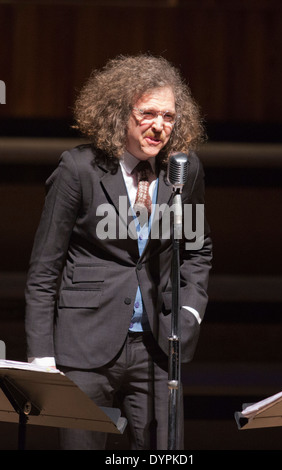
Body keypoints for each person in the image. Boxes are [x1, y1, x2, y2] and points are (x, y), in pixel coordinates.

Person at [25, 54, 212, 450]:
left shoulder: (184, 169)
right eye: (147, 114)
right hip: (85, 346)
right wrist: (42, 357)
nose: (158, 126)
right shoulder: (79, 168)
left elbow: (197, 248)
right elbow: (45, 267)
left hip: (159, 346)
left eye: (168, 117)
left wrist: (190, 310)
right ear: (118, 113)